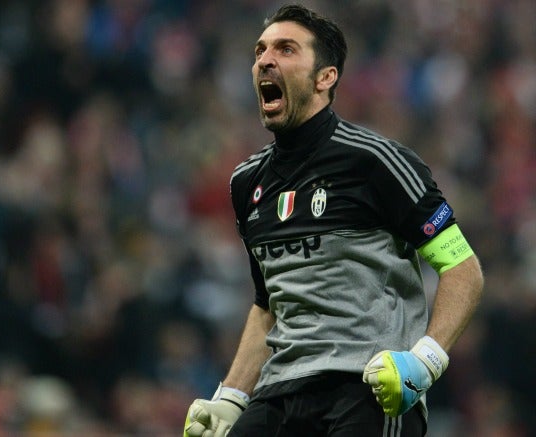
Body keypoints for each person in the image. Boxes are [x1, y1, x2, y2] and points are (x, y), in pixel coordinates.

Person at [183, 4, 484, 437]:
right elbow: (268, 304)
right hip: (278, 392)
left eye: (286, 49)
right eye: (260, 50)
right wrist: (231, 396)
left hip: (365, 388)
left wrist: (424, 362)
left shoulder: (376, 161)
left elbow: (462, 268)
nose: (265, 60)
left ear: (325, 78)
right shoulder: (245, 182)